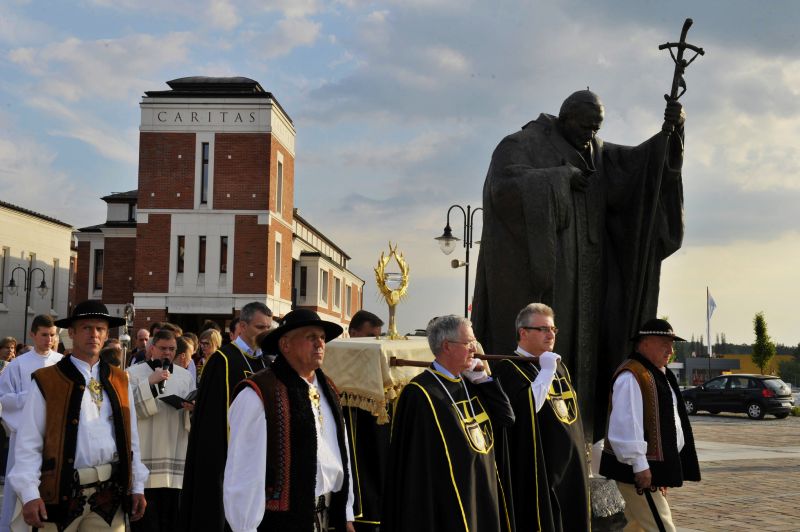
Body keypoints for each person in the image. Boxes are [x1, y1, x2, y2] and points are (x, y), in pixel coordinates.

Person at [471, 90, 687, 440]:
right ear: (564, 118)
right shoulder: (523, 143)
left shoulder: (597, 151)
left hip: (592, 277)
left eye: (596, 128)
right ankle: (540, 431)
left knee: (589, 359)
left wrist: (671, 134)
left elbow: (638, 168)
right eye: (585, 126)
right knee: (554, 341)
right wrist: (560, 178)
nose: (591, 134)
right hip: (550, 278)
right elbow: (502, 188)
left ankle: (582, 434)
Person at [8, 300, 148, 531]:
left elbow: (131, 439)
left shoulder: (119, 380)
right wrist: (29, 493)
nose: (94, 334)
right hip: (60, 492)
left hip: (110, 494)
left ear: (107, 334)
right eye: (86, 328)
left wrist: (137, 486)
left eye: (100, 328)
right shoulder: (47, 380)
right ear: (71, 333)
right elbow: (29, 441)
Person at [223, 308, 355, 532]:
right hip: (282, 522)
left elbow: (343, 453)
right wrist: (244, 527)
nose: (320, 344)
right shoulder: (260, 393)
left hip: (329, 515)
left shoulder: (329, 389)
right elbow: (244, 472)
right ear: (285, 344)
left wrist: (347, 513)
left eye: (322, 338)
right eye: (311, 337)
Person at [382, 315, 515, 532]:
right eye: (468, 343)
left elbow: (506, 417)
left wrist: (485, 380)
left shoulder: (472, 383)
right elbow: (416, 467)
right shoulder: (420, 392)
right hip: (448, 501)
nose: (474, 349)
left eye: (474, 342)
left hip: (482, 490)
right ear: (447, 346)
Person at [493, 303, 590, 531]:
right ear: (523, 332)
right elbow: (524, 411)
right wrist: (546, 372)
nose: (551, 334)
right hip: (541, 468)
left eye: (553, 329)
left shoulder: (557, 367)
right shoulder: (508, 369)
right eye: (543, 329)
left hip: (571, 467)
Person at [600, 319, 700, 532]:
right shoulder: (632, 376)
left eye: (671, 345)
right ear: (644, 343)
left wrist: (665, 468)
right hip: (639, 470)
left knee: (637, 526)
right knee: (662, 527)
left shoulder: (657, 373)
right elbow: (627, 425)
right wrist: (641, 466)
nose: (670, 350)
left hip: (651, 468)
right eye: (664, 344)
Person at [180, 302, 272, 531]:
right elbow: (210, 421)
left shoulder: (266, 363)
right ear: (242, 326)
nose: (265, 333)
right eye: (260, 327)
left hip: (257, 457)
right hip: (225, 456)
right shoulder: (222, 360)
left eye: (268, 328)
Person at [127, 329, 195, 532]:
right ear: (152, 349)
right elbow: (128, 410)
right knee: (147, 523)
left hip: (175, 453)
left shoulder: (184, 376)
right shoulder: (133, 373)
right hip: (147, 453)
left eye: (171, 349)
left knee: (171, 521)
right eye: (163, 348)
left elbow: (192, 417)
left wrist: (191, 408)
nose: (167, 353)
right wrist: (149, 383)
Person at [0, 315, 63, 532]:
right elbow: (5, 399)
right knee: (19, 486)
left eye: (52, 335)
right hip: (24, 436)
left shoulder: (62, 363)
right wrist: (34, 396)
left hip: (56, 435)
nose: (49, 340)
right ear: (33, 335)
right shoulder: (17, 365)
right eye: (44, 335)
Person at [344, 310, 385, 531]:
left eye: (378, 336)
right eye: (370, 335)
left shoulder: (376, 361)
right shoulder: (339, 360)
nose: (375, 341)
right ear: (353, 333)